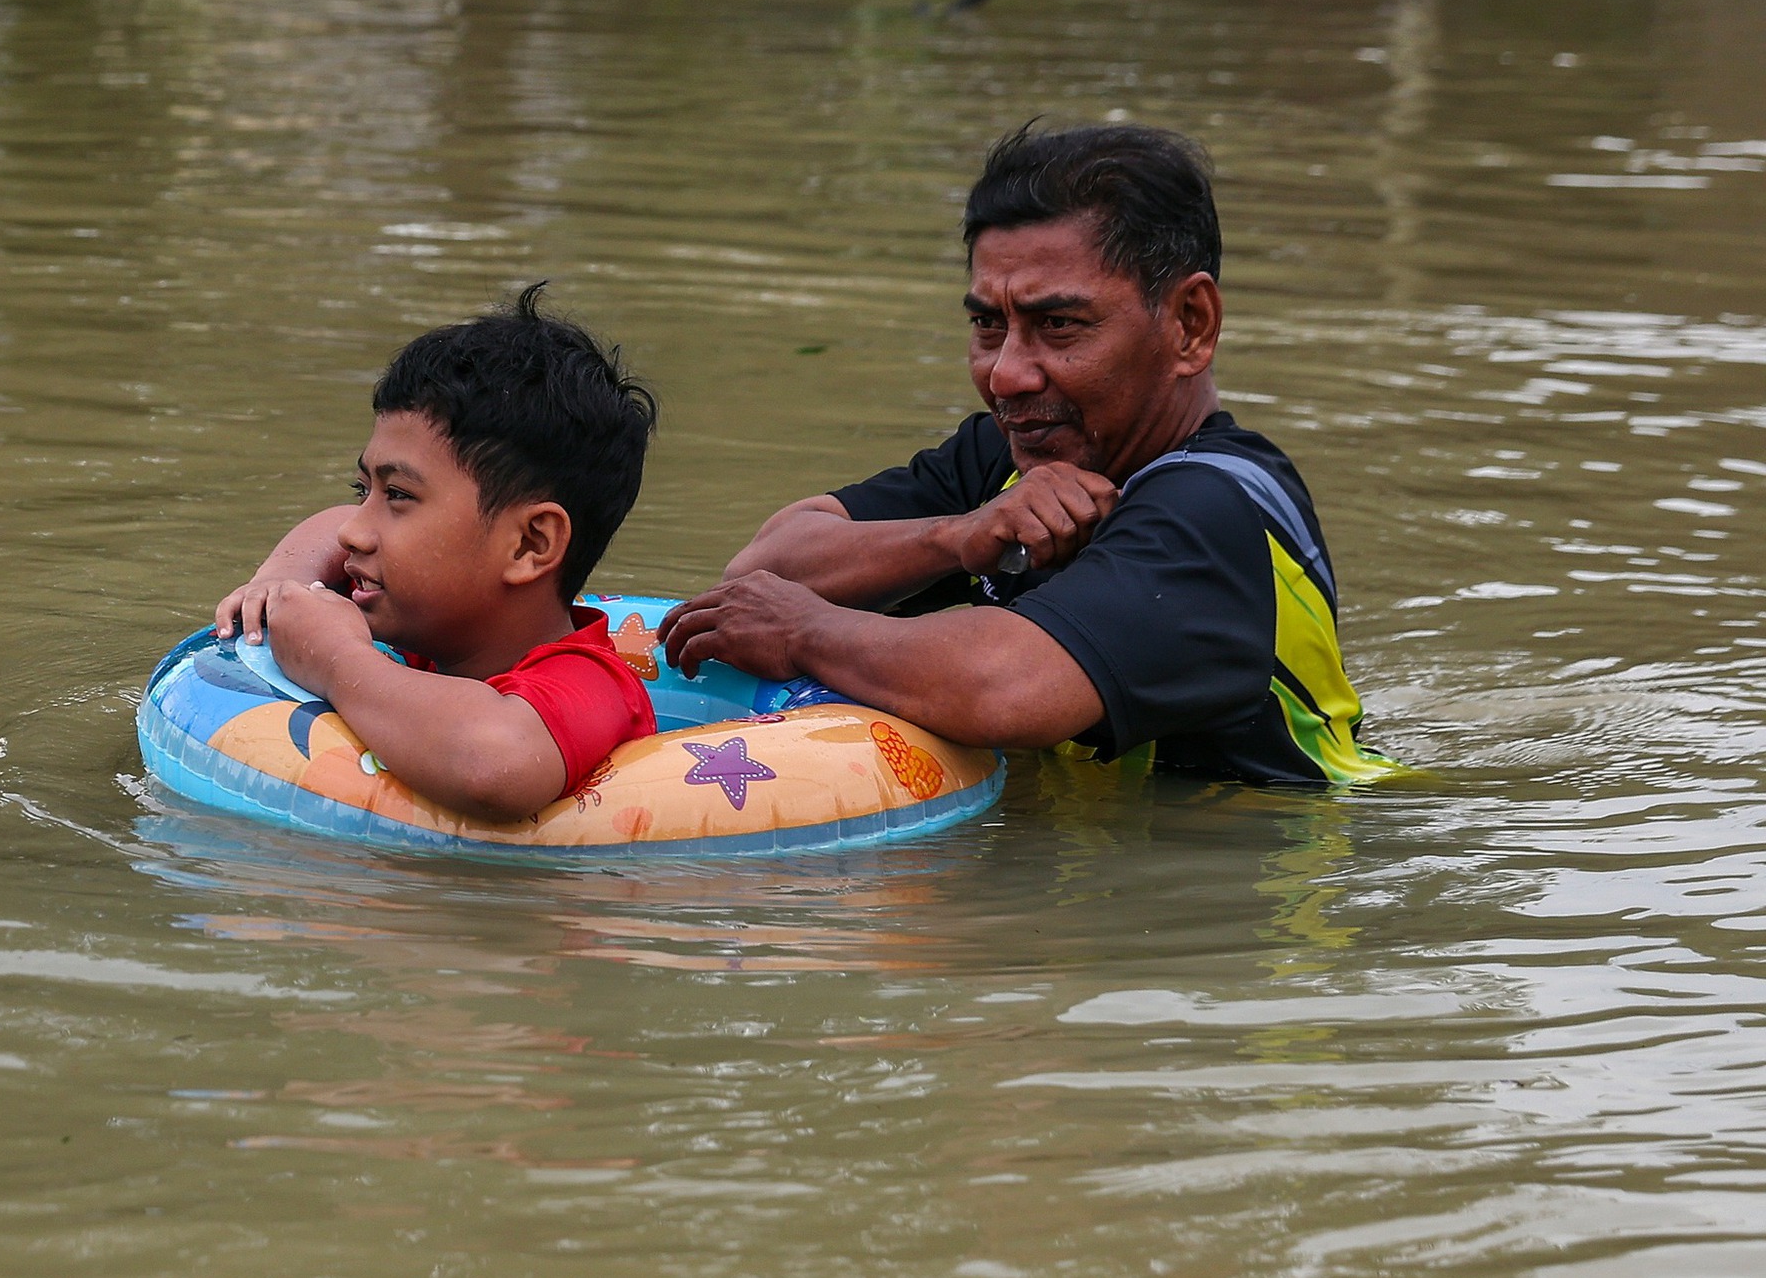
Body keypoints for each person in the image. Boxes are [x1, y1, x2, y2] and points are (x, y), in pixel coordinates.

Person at [659, 123, 1397, 785]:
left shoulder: (1214, 509)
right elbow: (759, 569)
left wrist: (807, 631)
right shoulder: (1009, 463)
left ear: (1190, 325)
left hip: (1263, 902)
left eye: (1061, 324)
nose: (1007, 374)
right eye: (988, 323)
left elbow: (1004, 689)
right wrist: (956, 535)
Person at [213, 283, 659, 821]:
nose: (354, 532)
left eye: (398, 495)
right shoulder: (431, 639)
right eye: (364, 491)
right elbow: (330, 526)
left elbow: (493, 766)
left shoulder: (591, 681)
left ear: (529, 544)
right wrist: (278, 580)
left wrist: (337, 660)